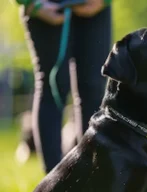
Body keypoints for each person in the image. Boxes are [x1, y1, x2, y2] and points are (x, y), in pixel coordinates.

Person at [16, 0, 112, 173]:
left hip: (96, 7)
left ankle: (92, 177)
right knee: (53, 87)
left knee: (94, 88)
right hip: (45, 6)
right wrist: (31, 4)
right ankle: (53, 184)